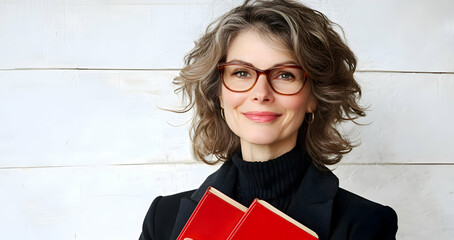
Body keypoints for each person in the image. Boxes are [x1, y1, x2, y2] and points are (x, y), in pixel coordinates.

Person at [139, 0, 398, 239]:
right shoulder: (163, 217)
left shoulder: (365, 223)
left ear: (314, 97)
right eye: (241, 73)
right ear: (218, 93)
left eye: (285, 75)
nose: (261, 93)